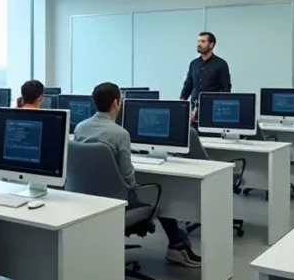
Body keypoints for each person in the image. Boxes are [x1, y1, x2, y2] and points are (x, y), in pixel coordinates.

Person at [73, 82, 201, 268]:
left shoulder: (80, 128)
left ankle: (178, 244)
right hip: (117, 202)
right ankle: (177, 246)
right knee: (162, 193)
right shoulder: (120, 134)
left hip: (87, 197)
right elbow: (128, 179)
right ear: (117, 103)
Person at [179, 32, 231, 120]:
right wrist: (181, 105)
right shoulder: (194, 63)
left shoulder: (221, 64)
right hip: (193, 111)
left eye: (203, 41)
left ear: (211, 45)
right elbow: (188, 85)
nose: (199, 44)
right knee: (193, 133)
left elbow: (226, 89)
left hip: (213, 111)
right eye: (198, 41)